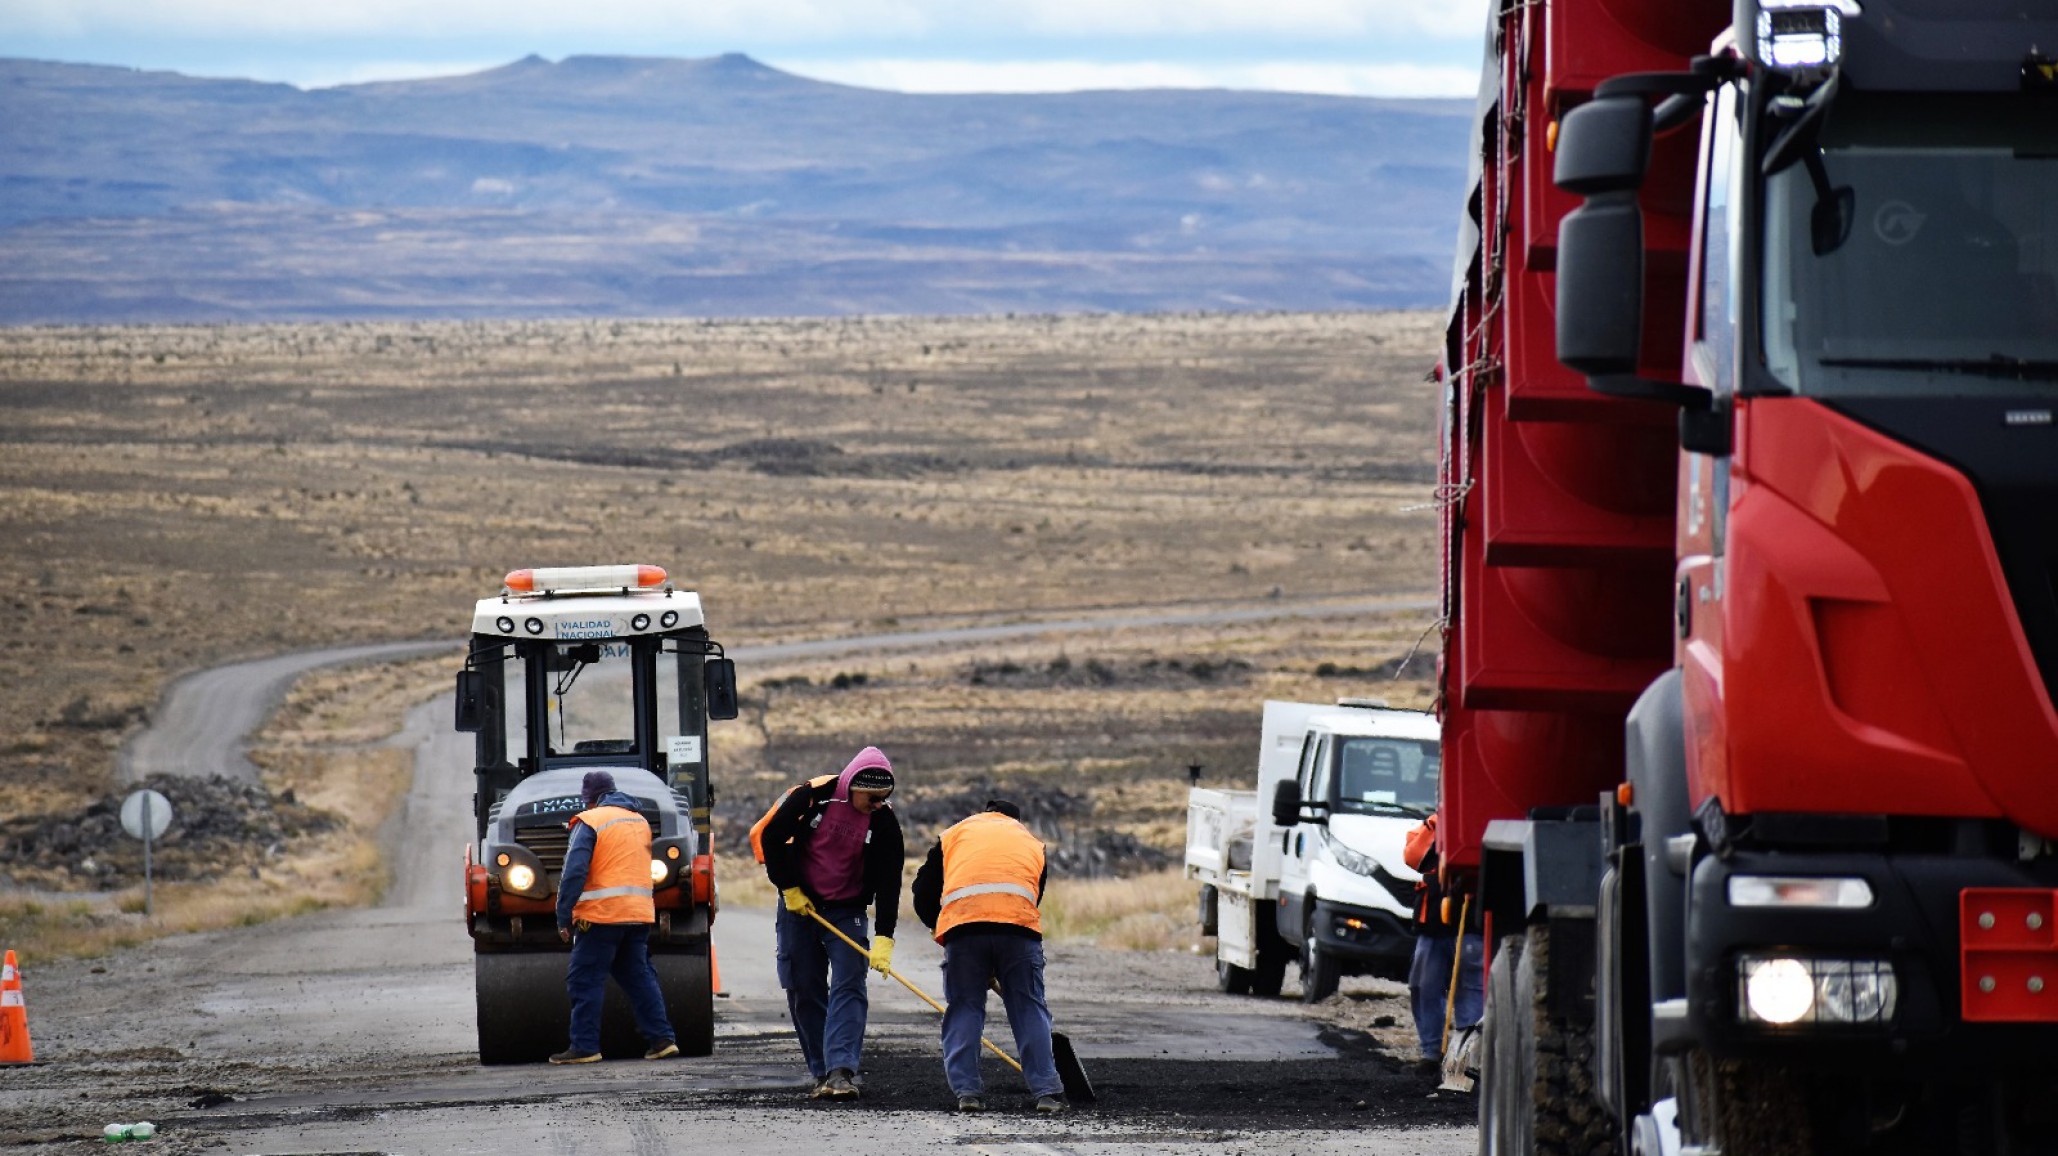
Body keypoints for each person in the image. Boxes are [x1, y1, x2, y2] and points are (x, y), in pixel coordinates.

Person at [759, 746, 905, 1100]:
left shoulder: (883, 821)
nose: (877, 805)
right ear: (853, 785)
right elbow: (772, 837)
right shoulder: (815, 798)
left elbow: (890, 881)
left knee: (849, 983)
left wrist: (884, 937)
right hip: (801, 905)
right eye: (872, 798)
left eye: (883, 799)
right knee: (803, 984)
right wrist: (790, 889)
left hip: (847, 909)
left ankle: (841, 1071)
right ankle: (822, 1070)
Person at [912, 799, 1065, 1114]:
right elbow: (1033, 894)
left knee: (965, 1007)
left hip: (964, 931)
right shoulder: (1032, 843)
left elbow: (922, 891)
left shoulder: (954, 834)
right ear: (1014, 820)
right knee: (1028, 1008)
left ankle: (968, 1093)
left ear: (983, 815)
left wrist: (938, 926)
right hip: (1018, 933)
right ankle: (1046, 1092)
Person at [550, 770, 676, 1064]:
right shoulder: (638, 820)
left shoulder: (591, 821)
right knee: (638, 976)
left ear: (589, 799)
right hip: (639, 913)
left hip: (602, 916)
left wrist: (563, 916)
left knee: (584, 979)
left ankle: (584, 1046)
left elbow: (575, 872)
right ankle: (662, 1039)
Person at [1403, 811, 1482, 1073]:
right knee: (1423, 985)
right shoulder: (1433, 823)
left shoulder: (1489, 819)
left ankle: (1465, 1062)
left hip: (1472, 921)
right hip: (1433, 924)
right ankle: (1431, 1054)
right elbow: (1413, 858)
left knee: (1471, 989)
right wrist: (1438, 823)